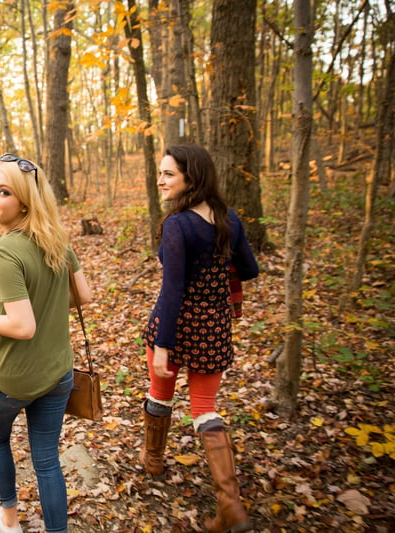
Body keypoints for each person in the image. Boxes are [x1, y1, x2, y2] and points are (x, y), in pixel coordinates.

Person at [0, 154, 92, 533]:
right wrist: (39, 305)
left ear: (24, 202)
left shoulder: (4, 250)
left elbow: (22, 327)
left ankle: (9, 520)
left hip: (9, 379)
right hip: (57, 374)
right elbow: (83, 295)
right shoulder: (56, 237)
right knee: (46, 461)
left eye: (4, 192)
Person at [139, 144, 258, 533]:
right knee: (205, 407)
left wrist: (162, 346)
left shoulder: (178, 224)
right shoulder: (230, 218)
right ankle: (231, 504)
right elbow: (249, 268)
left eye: (168, 174)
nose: (161, 180)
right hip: (214, 326)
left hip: (174, 325)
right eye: (160, 172)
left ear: (193, 177)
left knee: (161, 393)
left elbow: (172, 289)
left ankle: (152, 460)